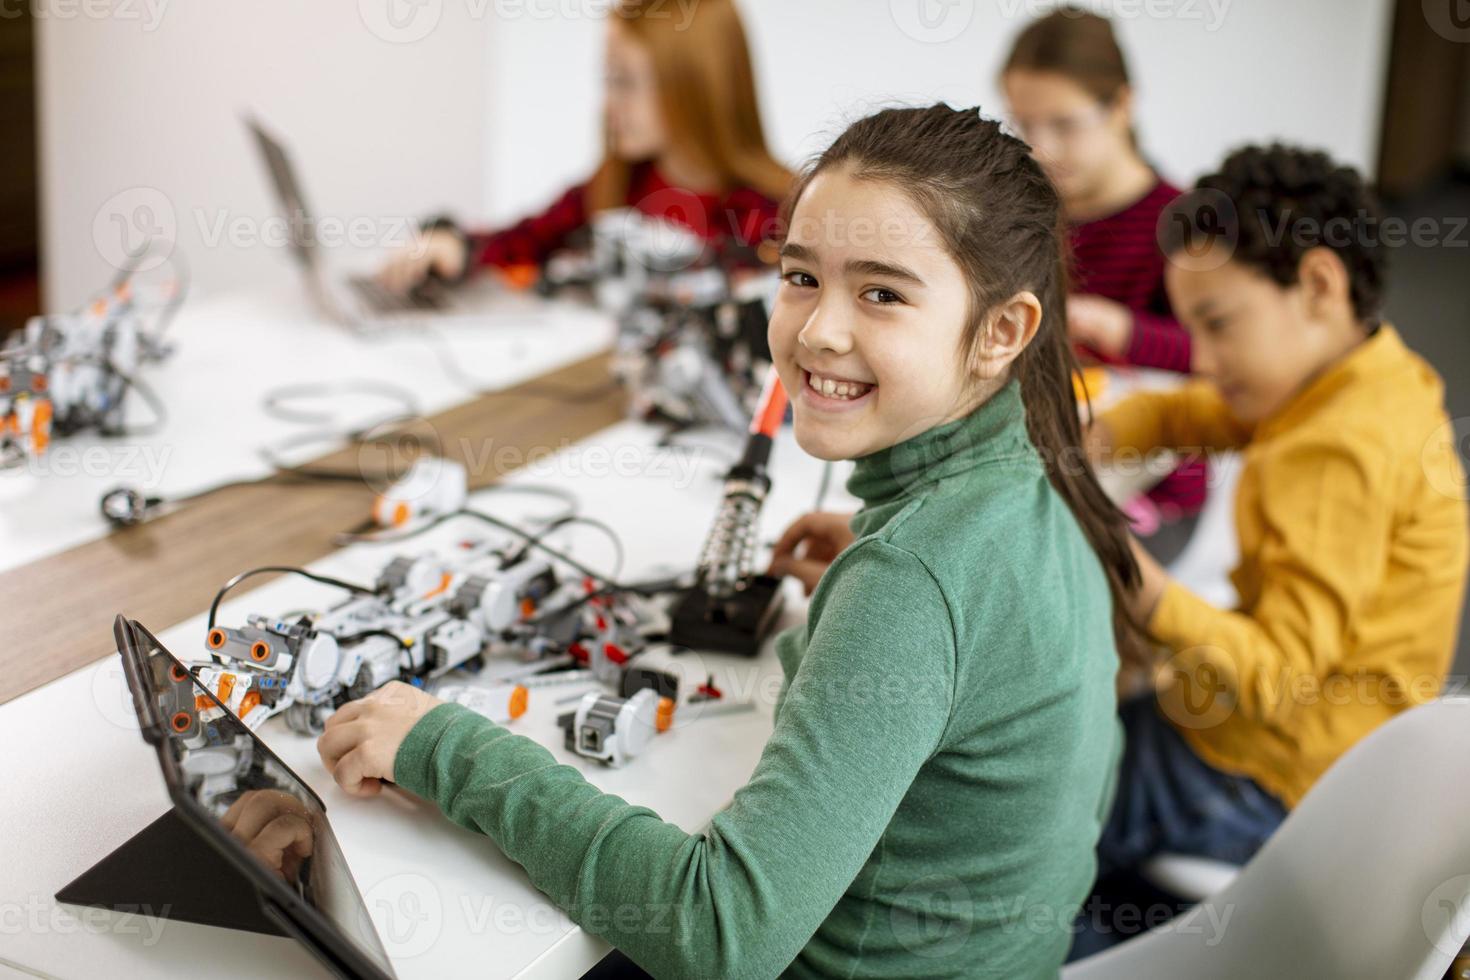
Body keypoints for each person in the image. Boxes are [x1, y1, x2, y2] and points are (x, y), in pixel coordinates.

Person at [317, 104, 1143, 977]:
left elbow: (720, 934)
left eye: (882, 293)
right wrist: (874, 581)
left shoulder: (913, 581)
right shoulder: (1037, 495)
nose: (819, 329)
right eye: (800, 277)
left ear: (1003, 331)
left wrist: (445, 747)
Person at [1073, 143, 1469, 955]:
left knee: (1041, 822)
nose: (1205, 360)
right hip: (1315, 736)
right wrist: (1110, 431)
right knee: (1099, 740)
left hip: (1282, 768)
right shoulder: (1355, 373)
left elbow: (1277, 676)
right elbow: (1201, 409)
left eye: (1217, 326)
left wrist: (1136, 579)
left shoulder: (1339, 450)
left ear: (1317, 286)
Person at [377, 0, 791, 293]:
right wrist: (454, 246)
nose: (609, 104)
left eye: (625, 81)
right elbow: (524, 241)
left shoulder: (774, 221)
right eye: (608, 79)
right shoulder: (617, 189)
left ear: (694, 88)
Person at [1002, 8, 1206, 555]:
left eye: (1064, 124)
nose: (1041, 147)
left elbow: (1221, 357)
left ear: (1122, 105)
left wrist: (1123, 331)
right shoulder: (1028, 216)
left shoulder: (1181, 225)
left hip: (1151, 491)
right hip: (1037, 464)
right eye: (1024, 124)